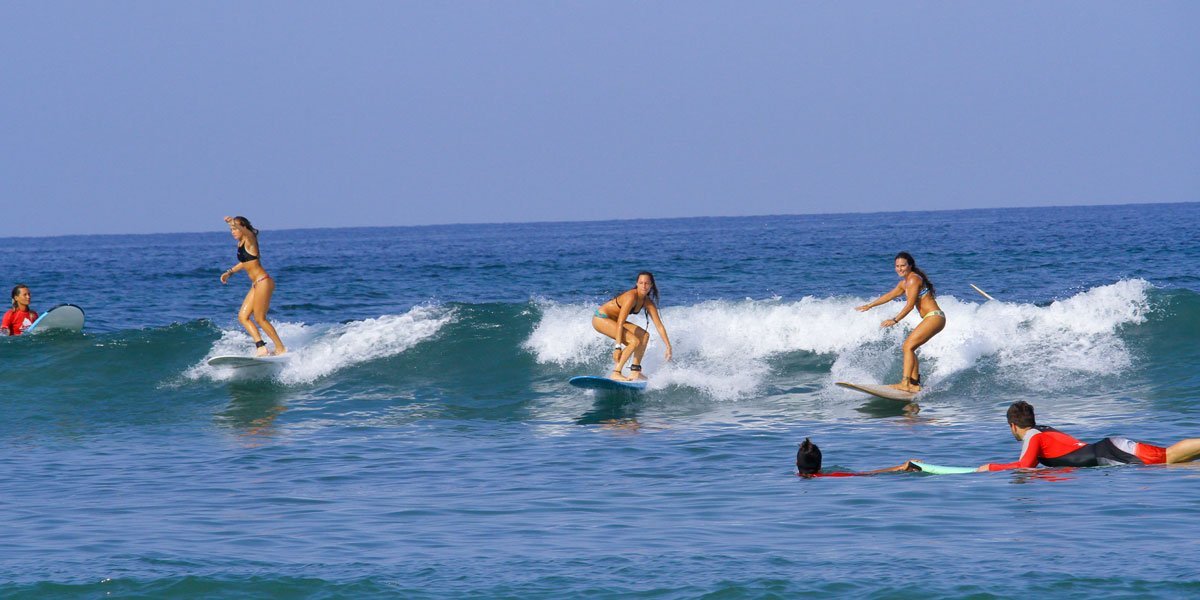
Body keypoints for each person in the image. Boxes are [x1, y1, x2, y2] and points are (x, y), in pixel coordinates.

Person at [978, 401, 1200, 471]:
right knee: (1179, 465)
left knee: (1167, 456)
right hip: (1111, 448)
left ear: (1013, 426)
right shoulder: (1044, 431)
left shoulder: (1033, 436)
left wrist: (991, 468)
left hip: (1111, 452)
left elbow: (1026, 466)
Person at [856, 252, 945, 393]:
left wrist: (895, 320)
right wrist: (870, 305)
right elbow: (890, 295)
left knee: (907, 347)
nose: (900, 269)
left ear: (910, 265)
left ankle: (905, 383)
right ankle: (914, 384)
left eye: (903, 265)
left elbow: (909, 305)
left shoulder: (913, 279)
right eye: (897, 266)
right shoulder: (904, 283)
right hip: (933, 318)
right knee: (910, 347)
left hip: (934, 317)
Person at [220, 216, 286, 356]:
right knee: (243, 317)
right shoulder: (241, 244)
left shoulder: (250, 240)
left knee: (260, 318)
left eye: (235, 228)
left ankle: (280, 348)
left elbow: (249, 233)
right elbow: (245, 263)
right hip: (256, 284)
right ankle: (261, 346)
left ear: (243, 228)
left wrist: (233, 222)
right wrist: (229, 272)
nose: (233, 231)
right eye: (231, 229)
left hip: (263, 281)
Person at [591, 272, 673, 381]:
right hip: (601, 318)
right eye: (641, 283)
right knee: (634, 341)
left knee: (644, 336)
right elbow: (620, 322)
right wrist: (618, 347)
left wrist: (668, 346)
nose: (644, 286)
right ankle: (616, 372)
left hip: (614, 320)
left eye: (647, 283)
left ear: (651, 285)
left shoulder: (647, 302)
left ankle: (635, 371)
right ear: (637, 284)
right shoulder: (631, 296)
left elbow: (659, 325)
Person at [795, 438, 917, 477]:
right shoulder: (832, 475)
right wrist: (901, 467)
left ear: (796, 463)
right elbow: (867, 474)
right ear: (820, 465)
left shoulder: (792, 477)